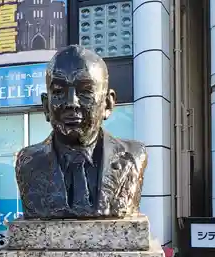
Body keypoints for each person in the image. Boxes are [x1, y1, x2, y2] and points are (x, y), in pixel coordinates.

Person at [15, 45, 148, 219]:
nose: (71, 103)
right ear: (46, 106)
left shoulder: (132, 157)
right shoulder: (28, 163)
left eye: (86, 91)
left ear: (108, 104)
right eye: (58, 92)